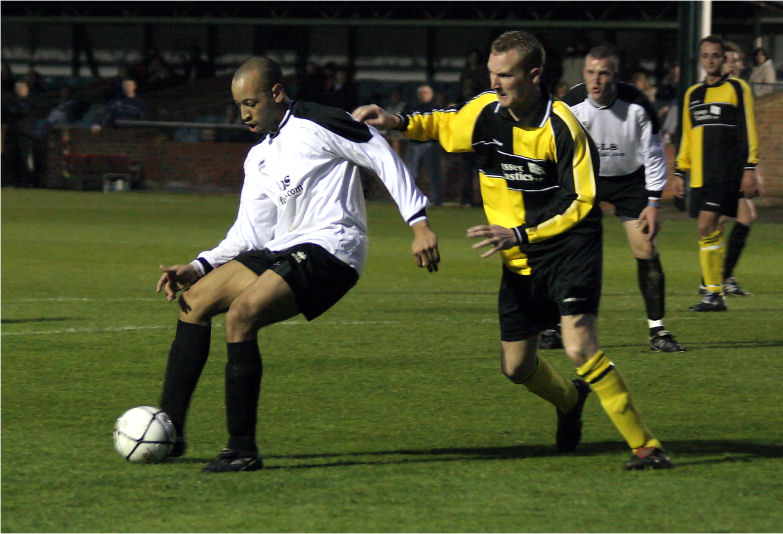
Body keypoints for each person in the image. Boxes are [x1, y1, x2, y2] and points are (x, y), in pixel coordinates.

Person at [354, 30, 672, 470]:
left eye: (505, 75)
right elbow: (446, 123)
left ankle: (646, 446)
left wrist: (521, 233)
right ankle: (568, 400)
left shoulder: (563, 126)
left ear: (534, 74)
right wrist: (394, 121)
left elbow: (581, 202)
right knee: (516, 367)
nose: (495, 83)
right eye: (491, 73)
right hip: (518, 256)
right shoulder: (486, 111)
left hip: (568, 249)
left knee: (579, 346)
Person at [155, 56, 440, 473]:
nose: (244, 113)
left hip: (334, 246)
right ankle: (169, 430)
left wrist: (418, 223)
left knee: (241, 315)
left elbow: (380, 154)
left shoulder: (320, 122)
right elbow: (249, 234)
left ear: (276, 93)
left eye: (251, 102)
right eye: (238, 105)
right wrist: (198, 267)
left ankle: (242, 449)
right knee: (194, 301)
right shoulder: (258, 158)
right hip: (284, 246)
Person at [557, 46, 685, 353]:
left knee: (646, 248)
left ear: (616, 75)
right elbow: (556, 152)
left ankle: (658, 331)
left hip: (630, 181)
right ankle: (554, 325)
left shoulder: (638, 105)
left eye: (603, 73)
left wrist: (654, 203)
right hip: (587, 180)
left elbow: (654, 156)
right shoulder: (570, 105)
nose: (595, 80)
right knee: (567, 250)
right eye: (590, 72)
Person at [673, 35, 759, 312]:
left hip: (726, 171)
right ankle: (714, 291)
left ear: (723, 59)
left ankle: (713, 291)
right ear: (701, 59)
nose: (711, 60)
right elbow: (687, 135)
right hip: (700, 176)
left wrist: (750, 167)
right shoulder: (692, 95)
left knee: (706, 225)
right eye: (706, 56)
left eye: (715, 56)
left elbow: (748, 128)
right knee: (712, 228)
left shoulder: (737, 88)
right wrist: (679, 171)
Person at [695, 40, 766, 296]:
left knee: (738, 218)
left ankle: (720, 277)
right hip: (723, 171)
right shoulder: (713, 92)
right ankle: (714, 280)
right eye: (732, 60)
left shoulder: (737, 90)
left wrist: (753, 169)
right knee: (719, 220)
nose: (736, 65)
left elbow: (745, 134)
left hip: (736, 167)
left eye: (738, 61)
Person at [405, 84, 444, 206]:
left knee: (433, 173)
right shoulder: (412, 107)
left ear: (431, 95)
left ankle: (437, 199)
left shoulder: (436, 108)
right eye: (421, 93)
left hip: (430, 144)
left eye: (426, 93)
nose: (423, 95)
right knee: (412, 173)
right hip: (415, 144)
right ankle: (409, 199)